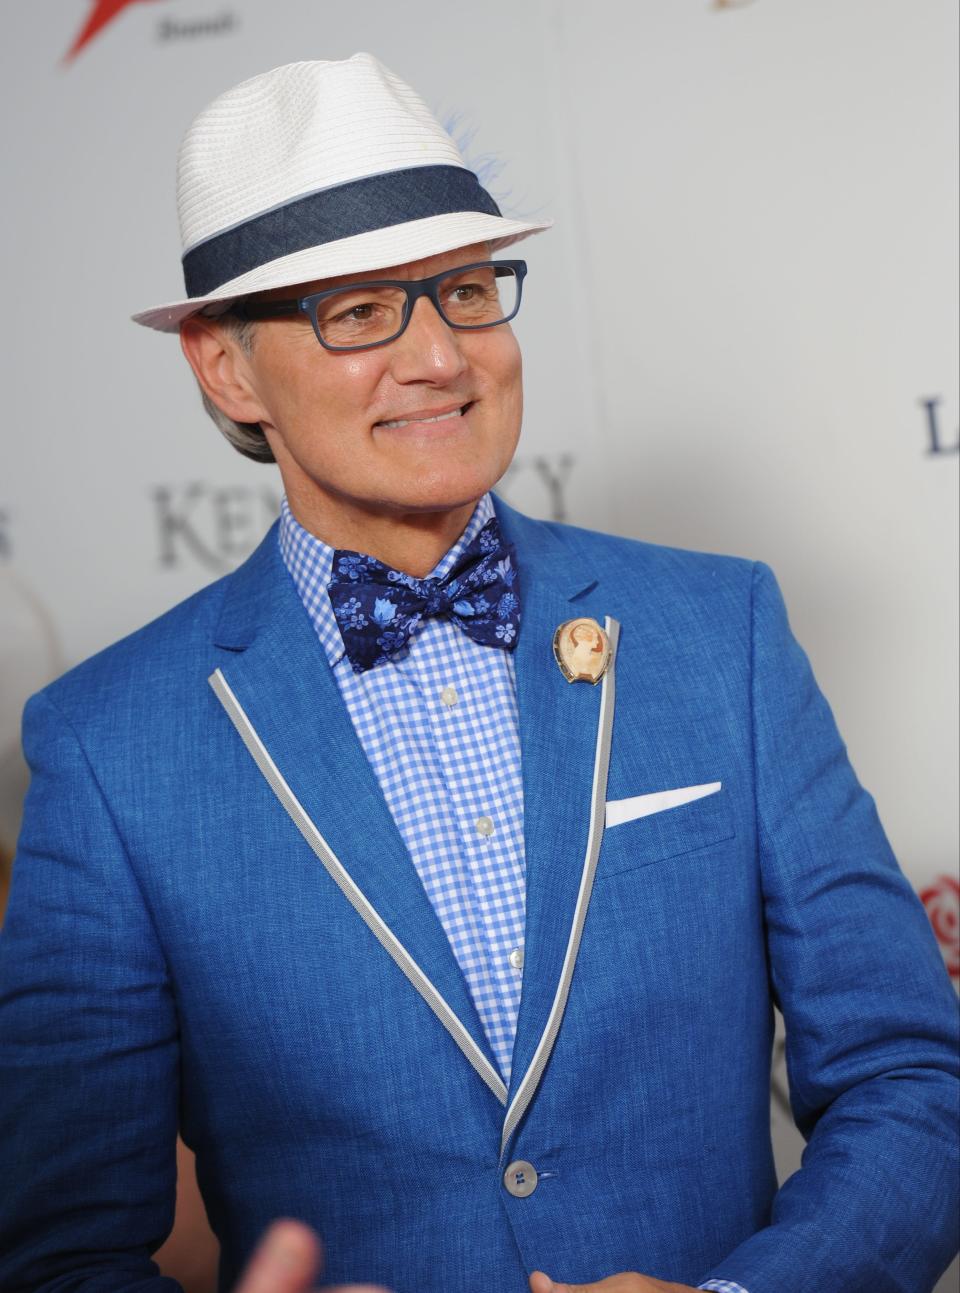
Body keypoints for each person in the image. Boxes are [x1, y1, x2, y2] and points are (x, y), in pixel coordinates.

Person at [0, 52, 957, 1293]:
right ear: (226, 368)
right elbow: (60, 1247)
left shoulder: (721, 632)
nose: (440, 357)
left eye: (462, 290)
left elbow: (911, 1077)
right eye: (355, 312)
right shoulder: (110, 744)